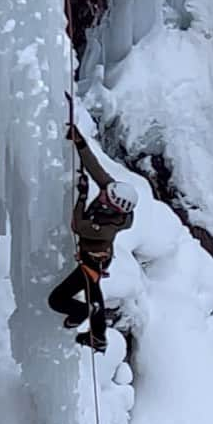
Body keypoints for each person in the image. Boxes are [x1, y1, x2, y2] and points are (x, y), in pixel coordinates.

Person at [48, 124, 138, 351]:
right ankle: (97, 337)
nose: (103, 195)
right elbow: (95, 168)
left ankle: (83, 316)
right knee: (93, 292)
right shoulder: (112, 194)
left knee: (58, 299)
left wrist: (81, 198)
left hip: (93, 261)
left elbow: (78, 225)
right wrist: (80, 142)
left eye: (106, 198)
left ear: (115, 208)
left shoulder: (106, 227)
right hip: (95, 259)